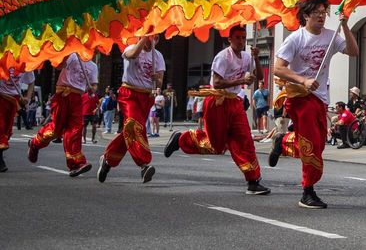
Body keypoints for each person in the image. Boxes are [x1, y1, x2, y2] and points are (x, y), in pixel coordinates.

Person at [269, 0, 359, 209]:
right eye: (317, 13)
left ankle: (283, 142)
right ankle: (307, 191)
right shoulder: (296, 39)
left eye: (323, 12)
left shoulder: (330, 36)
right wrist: (303, 80)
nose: (321, 16)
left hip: (320, 98)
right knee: (312, 145)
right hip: (300, 97)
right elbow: (278, 67)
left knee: (317, 143)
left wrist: (345, 25)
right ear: (306, 15)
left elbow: (354, 52)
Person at [164, 25, 269, 195]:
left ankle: (253, 180)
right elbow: (218, 82)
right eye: (237, 38)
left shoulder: (246, 57)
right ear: (230, 39)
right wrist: (241, 80)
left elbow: (260, 77)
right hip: (217, 102)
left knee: (245, 141)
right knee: (217, 145)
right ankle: (183, 138)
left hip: (235, 103)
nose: (241, 41)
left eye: (243, 37)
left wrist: (256, 58)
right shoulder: (223, 57)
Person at [98, 34, 165, 184]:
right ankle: (143, 164)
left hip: (146, 96)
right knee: (134, 126)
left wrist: (156, 79)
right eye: (152, 36)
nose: (154, 39)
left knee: (131, 131)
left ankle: (108, 160)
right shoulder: (131, 48)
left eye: (157, 37)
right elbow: (132, 55)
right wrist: (144, 38)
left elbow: (160, 82)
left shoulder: (158, 56)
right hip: (129, 94)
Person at [27, 54, 96, 176]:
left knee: (75, 129)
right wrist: (65, 54)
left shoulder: (93, 66)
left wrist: (92, 89)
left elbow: (93, 84)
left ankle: (76, 163)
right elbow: (58, 66)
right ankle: (35, 143)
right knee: (56, 130)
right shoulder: (73, 55)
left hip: (77, 99)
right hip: (63, 95)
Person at [0, 69, 36, 172]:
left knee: (7, 131)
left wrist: (27, 98)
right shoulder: (2, 59)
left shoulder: (24, 63)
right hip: (1, 96)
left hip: (13, 100)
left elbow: (31, 81)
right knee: (0, 127)